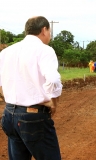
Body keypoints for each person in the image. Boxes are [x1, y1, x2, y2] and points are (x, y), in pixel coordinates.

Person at [0, 16, 62, 160]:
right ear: (44, 30)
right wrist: (54, 103)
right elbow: (53, 80)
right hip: (33, 117)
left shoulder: (7, 52)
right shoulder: (44, 50)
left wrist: (6, 97)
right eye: (49, 32)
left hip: (9, 115)